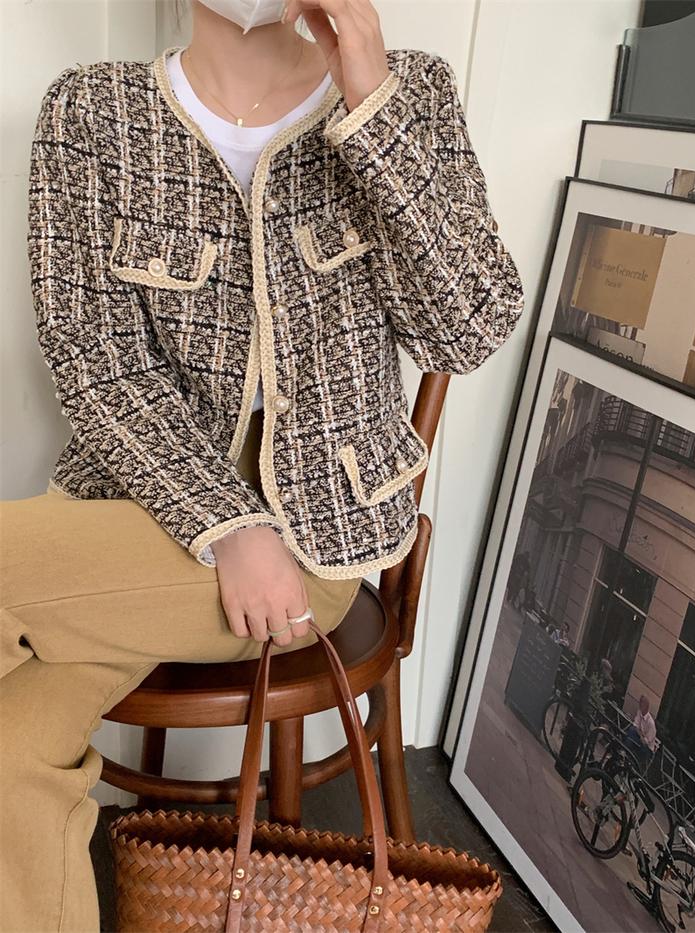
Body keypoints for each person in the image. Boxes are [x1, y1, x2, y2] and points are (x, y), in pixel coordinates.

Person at [0, 0, 525, 929]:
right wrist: (227, 523)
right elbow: (95, 359)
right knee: (10, 752)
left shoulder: (409, 93)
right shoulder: (91, 112)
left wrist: (369, 96)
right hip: (140, 500)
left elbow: (469, 328)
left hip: (314, 542)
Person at [623, 694, 657, 772]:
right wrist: (641, 734)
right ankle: (624, 752)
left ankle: (630, 761)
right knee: (631, 731)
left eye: (642, 704)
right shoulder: (639, 712)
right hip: (640, 738)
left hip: (647, 749)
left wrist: (640, 734)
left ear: (646, 707)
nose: (640, 705)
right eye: (640, 703)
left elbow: (645, 742)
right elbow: (635, 725)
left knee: (633, 738)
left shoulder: (651, 723)